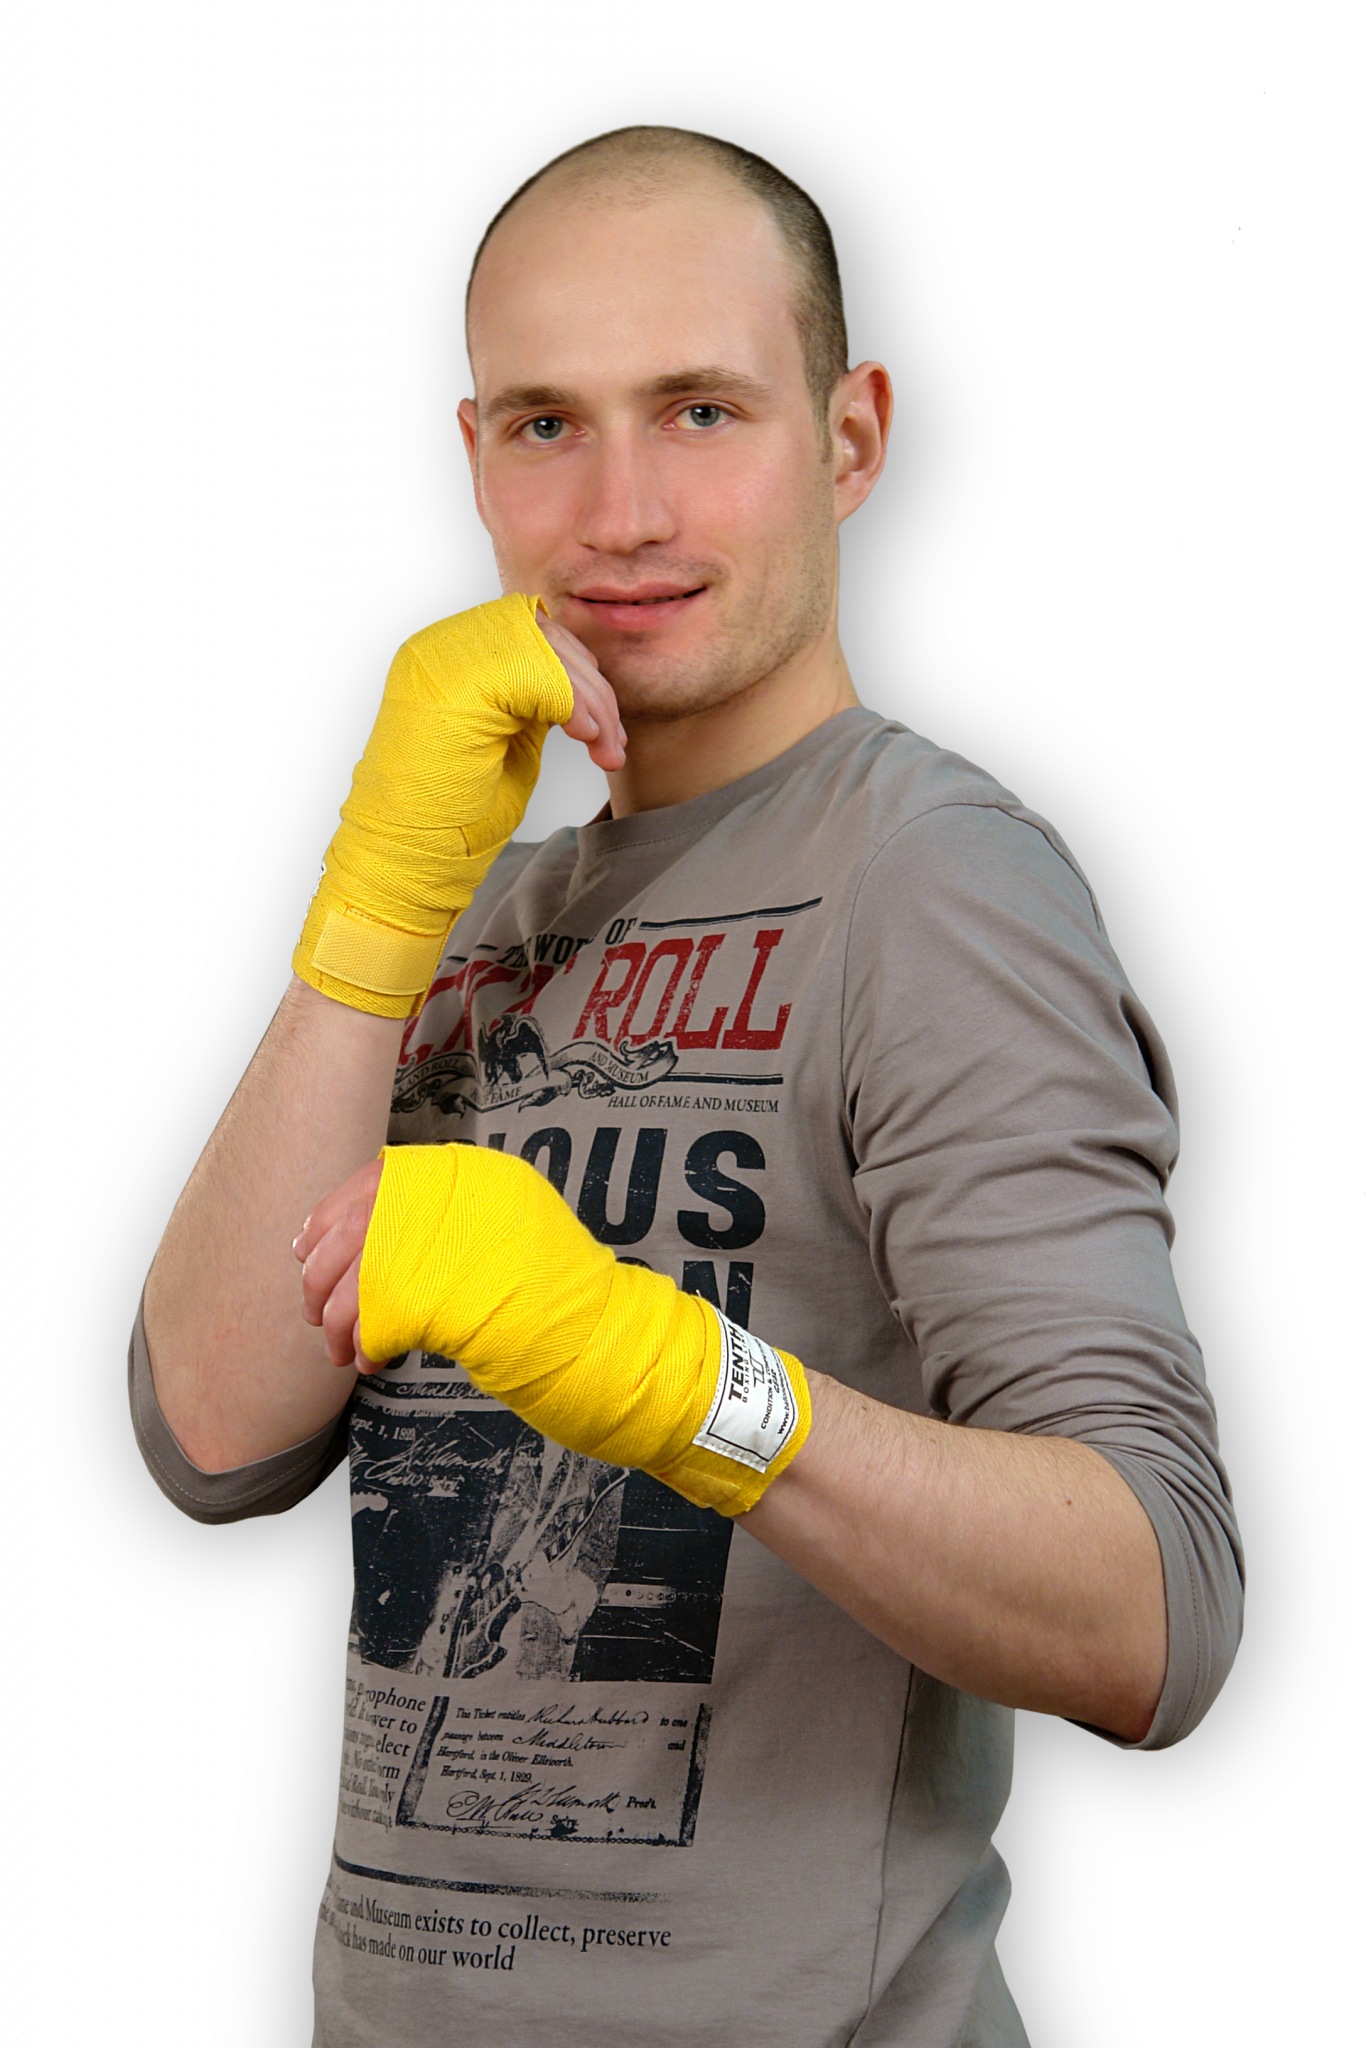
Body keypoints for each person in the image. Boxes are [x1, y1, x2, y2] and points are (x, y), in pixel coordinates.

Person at [131, 125, 1244, 2046]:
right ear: (471, 456)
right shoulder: (472, 911)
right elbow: (213, 1435)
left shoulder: (931, 882)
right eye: (545, 426)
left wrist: (664, 1373)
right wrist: (374, 913)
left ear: (849, 437)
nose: (619, 512)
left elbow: (1159, 1611)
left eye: (701, 410)